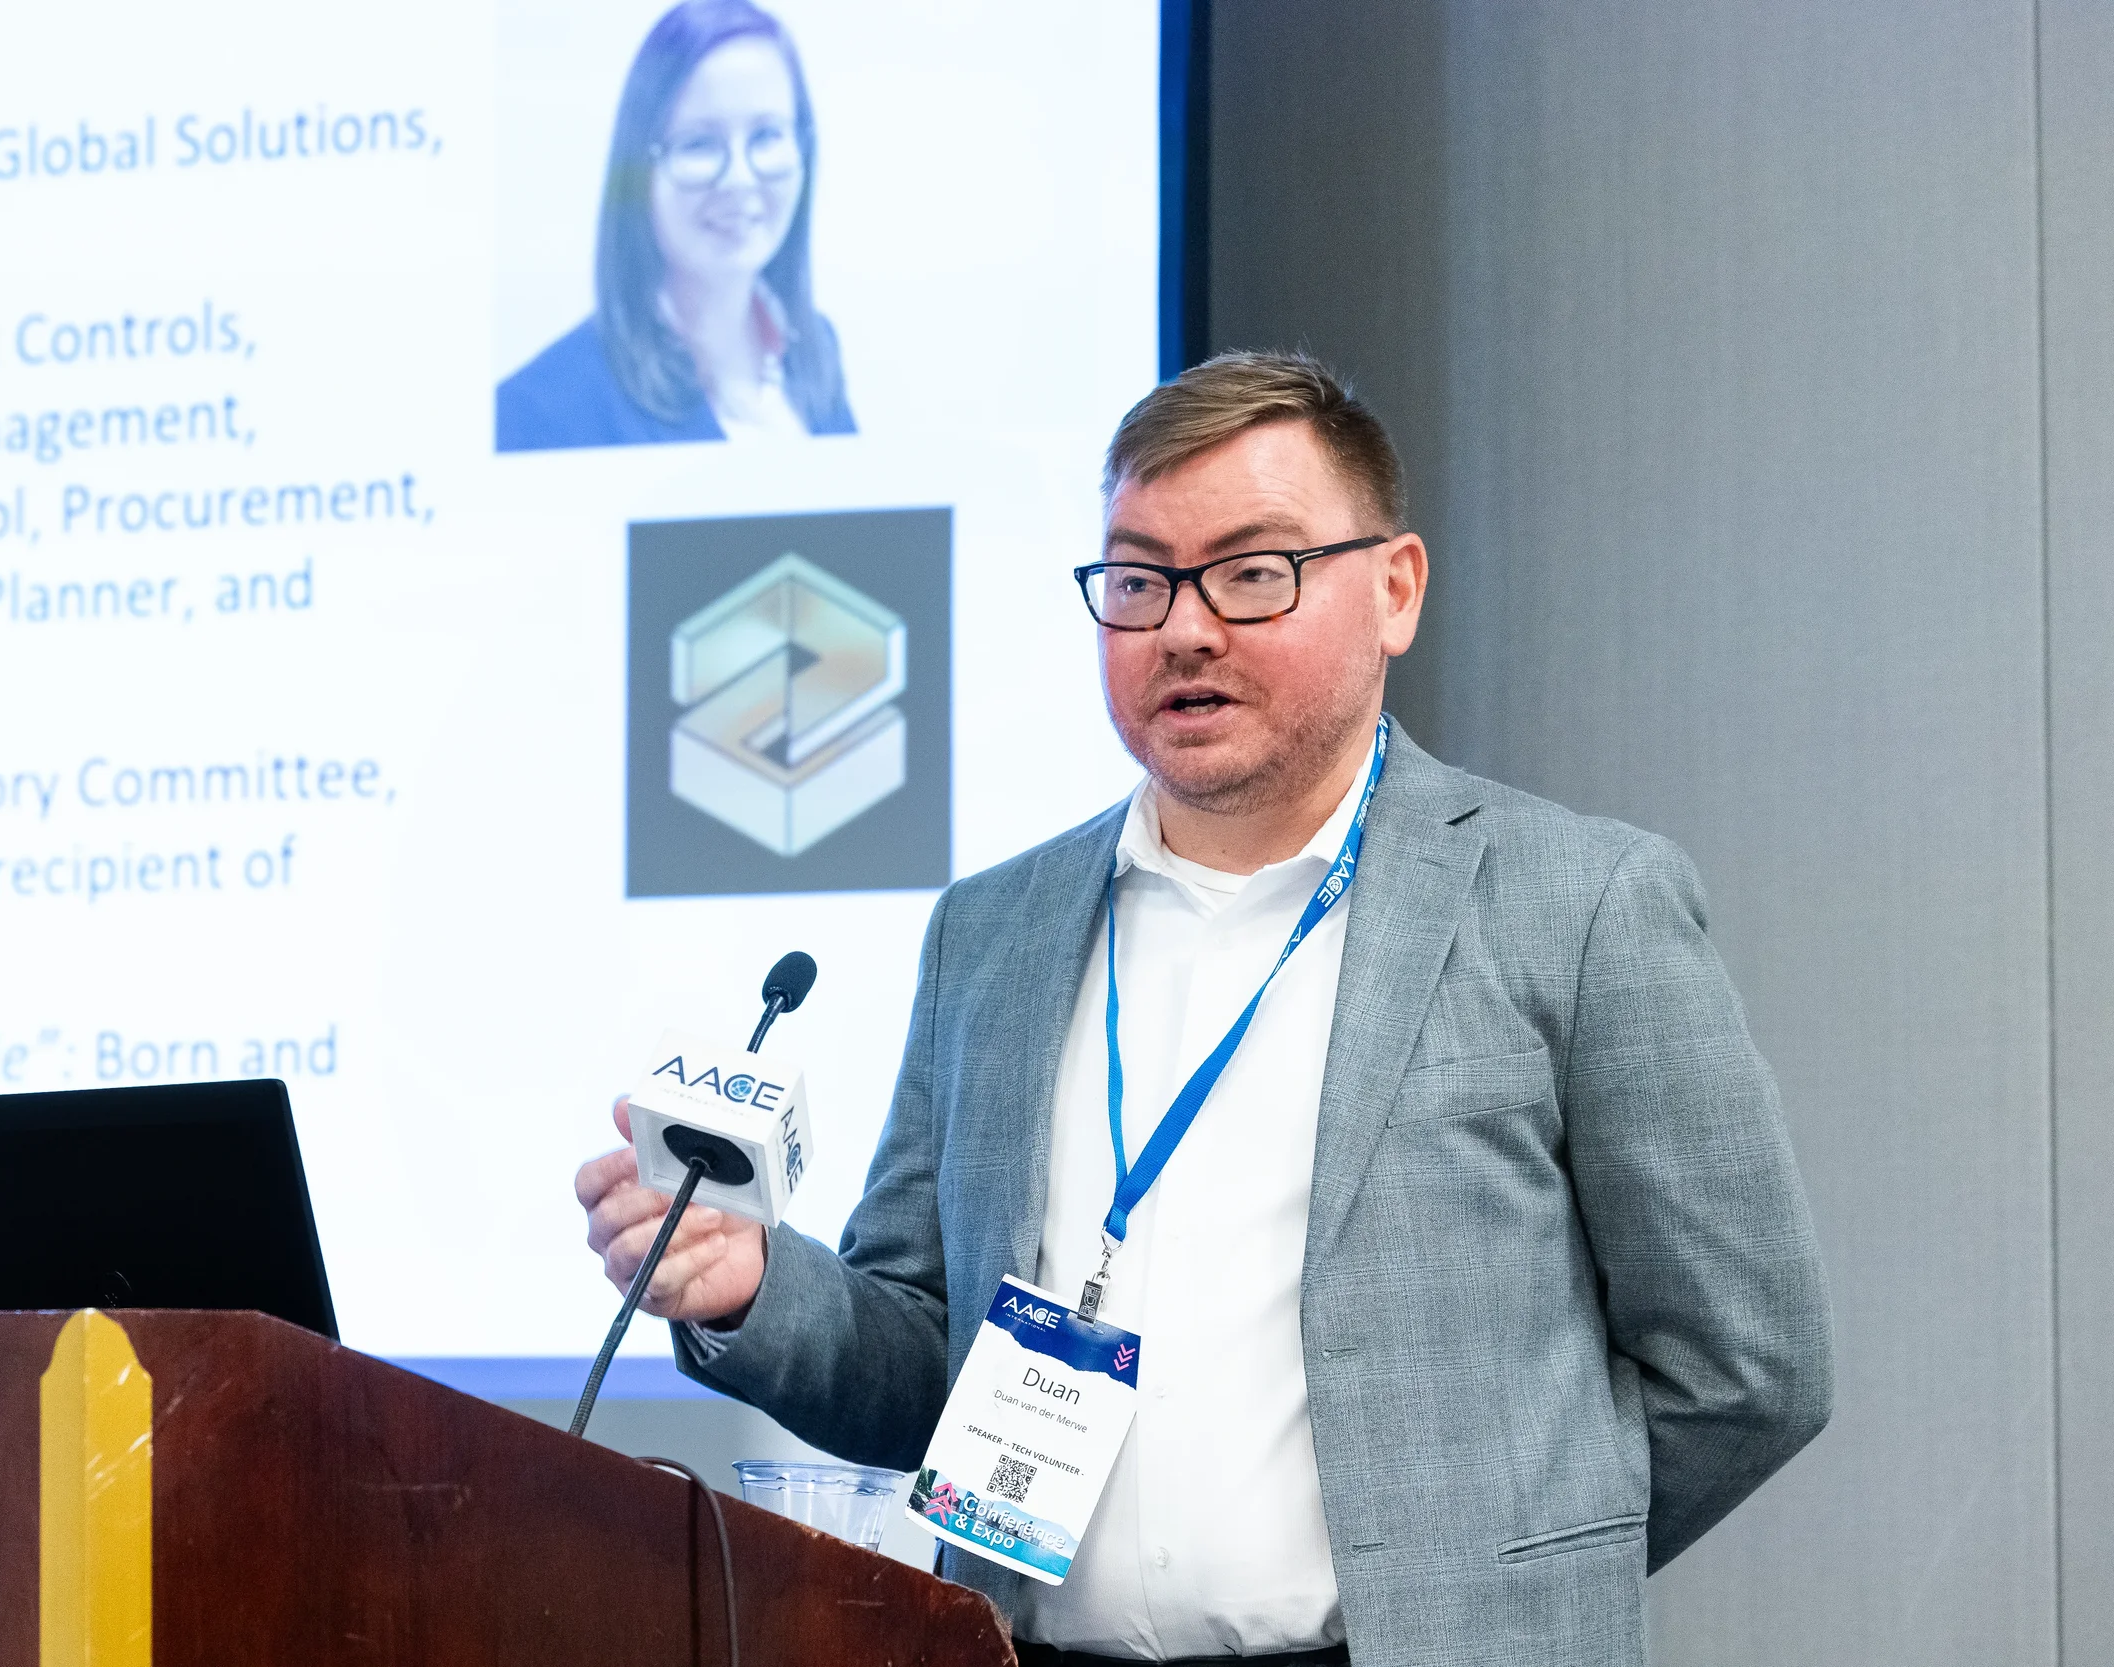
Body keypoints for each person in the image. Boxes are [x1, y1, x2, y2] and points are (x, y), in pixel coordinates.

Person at [574, 351, 1833, 1665]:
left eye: (1252, 571)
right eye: (1138, 579)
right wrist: (756, 1285)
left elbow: (1751, 1368)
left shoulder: (1574, 903)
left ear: (1394, 589)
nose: (1183, 626)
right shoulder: (991, 934)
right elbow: (927, 1358)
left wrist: (1502, 1576)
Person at [495, 0, 856, 452]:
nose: (740, 178)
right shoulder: (541, 412)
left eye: (766, 135)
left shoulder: (813, 352)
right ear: (638, 173)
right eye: (701, 143)